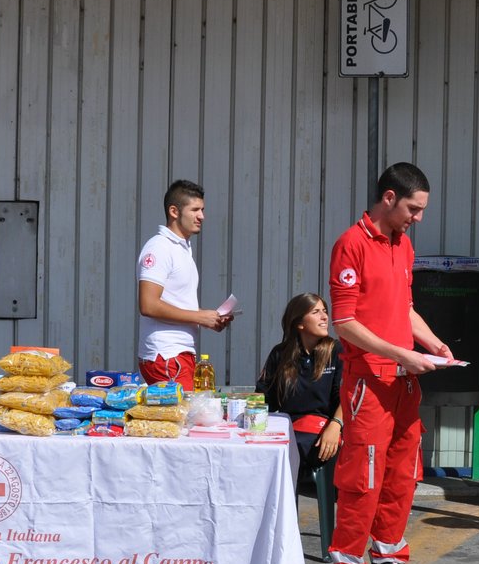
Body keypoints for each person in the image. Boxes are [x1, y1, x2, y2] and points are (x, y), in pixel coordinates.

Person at [326, 162, 453, 564]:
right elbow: (344, 323)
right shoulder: (352, 244)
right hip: (370, 382)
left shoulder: (403, 246)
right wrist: (401, 354)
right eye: (413, 209)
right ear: (388, 198)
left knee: (401, 476)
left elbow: (406, 308)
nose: (417, 218)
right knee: (363, 479)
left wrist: (432, 343)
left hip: (403, 382)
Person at [135, 180, 232, 391]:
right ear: (174, 211)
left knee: (183, 418)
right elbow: (148, 305)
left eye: (203, 210)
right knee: (181, 419)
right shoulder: (160, 248)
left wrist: (210, 319)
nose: (202, 216)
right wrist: (200, 317)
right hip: (167, 356)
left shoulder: (180, 248)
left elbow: (174, 303)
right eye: (195, 210)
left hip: (176, 355)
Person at [256, 293, 344, 469]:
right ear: (299, 323)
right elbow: (264, 400)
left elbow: (346, 397)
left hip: (327, 430)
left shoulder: (336, 350)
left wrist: (336, 426)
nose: (325, 316)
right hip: (290, 431)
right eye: (316, 312)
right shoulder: (280, 354)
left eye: (325, 311)